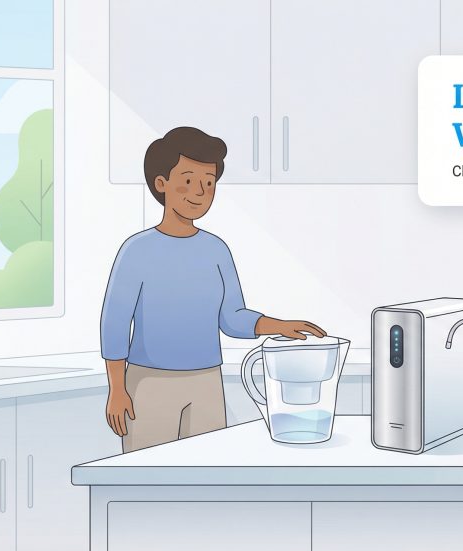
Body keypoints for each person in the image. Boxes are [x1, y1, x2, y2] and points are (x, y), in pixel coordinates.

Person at [100, 126, 325, 452]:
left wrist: (279, 326)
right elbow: (115, 323)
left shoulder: (217, 250)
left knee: (206, 469)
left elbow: (232, 317)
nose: (199, 192)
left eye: (208, 183)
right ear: (161, 184)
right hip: (149, 383)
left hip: (206, 382)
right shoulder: (136, 251)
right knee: (149, 474)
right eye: (188, 180)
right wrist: (117, 388)